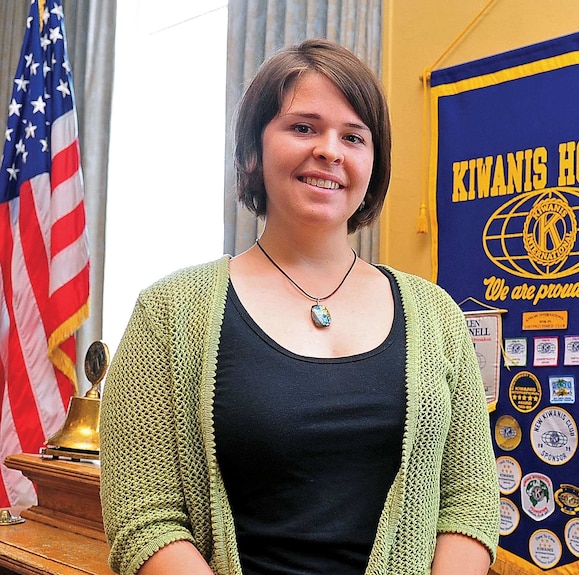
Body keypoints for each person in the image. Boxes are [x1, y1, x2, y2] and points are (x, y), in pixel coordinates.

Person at [99, 39, 500, 575]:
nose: (330, 151)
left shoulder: (437, 314)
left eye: (353, 137)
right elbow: (144, 520)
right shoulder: (168, 313)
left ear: (372, 165)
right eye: (304, 127)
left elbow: (469, 501)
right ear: (253, 150)